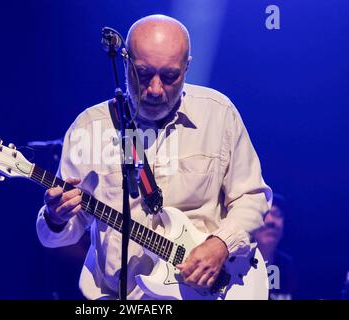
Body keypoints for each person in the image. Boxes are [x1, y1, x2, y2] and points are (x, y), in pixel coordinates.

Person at [36, 14, 272, 300]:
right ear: (125, 62)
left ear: (187, 67)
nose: (156, 89)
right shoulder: (90, 128)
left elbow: (252, 198)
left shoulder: (219, 114)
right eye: (143, 74)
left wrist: (221, 244)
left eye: (171, 76)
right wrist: (56, 217)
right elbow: (57, 235)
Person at [254, 194, 297, 299]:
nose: (271, 221)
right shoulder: (236, 263)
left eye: (277, 214)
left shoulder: (286, 264)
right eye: (265, 214)